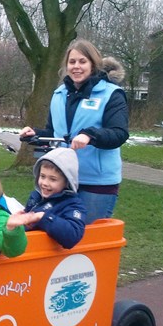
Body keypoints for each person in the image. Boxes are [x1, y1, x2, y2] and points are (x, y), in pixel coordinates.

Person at [19, 39, 129, 223]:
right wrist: (35, 135)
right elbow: (54, 133)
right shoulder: (59, 95)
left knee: (88, 241)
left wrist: (90, 135)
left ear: (93, 64)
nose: (76, 66)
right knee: (60, 237)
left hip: (96, 183)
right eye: (72, 62)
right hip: (63, 180)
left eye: (82, 61)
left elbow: (119, 133)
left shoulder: (111, 94)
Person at [23, 147, 87, 249]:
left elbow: (73, 236)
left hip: (48, 257)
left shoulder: (73, 205)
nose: (44, 183)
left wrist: (43, 217)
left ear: (67, 182)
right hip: (28, 249)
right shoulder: (36, 196)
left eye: (53, 179)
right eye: (42, 176)